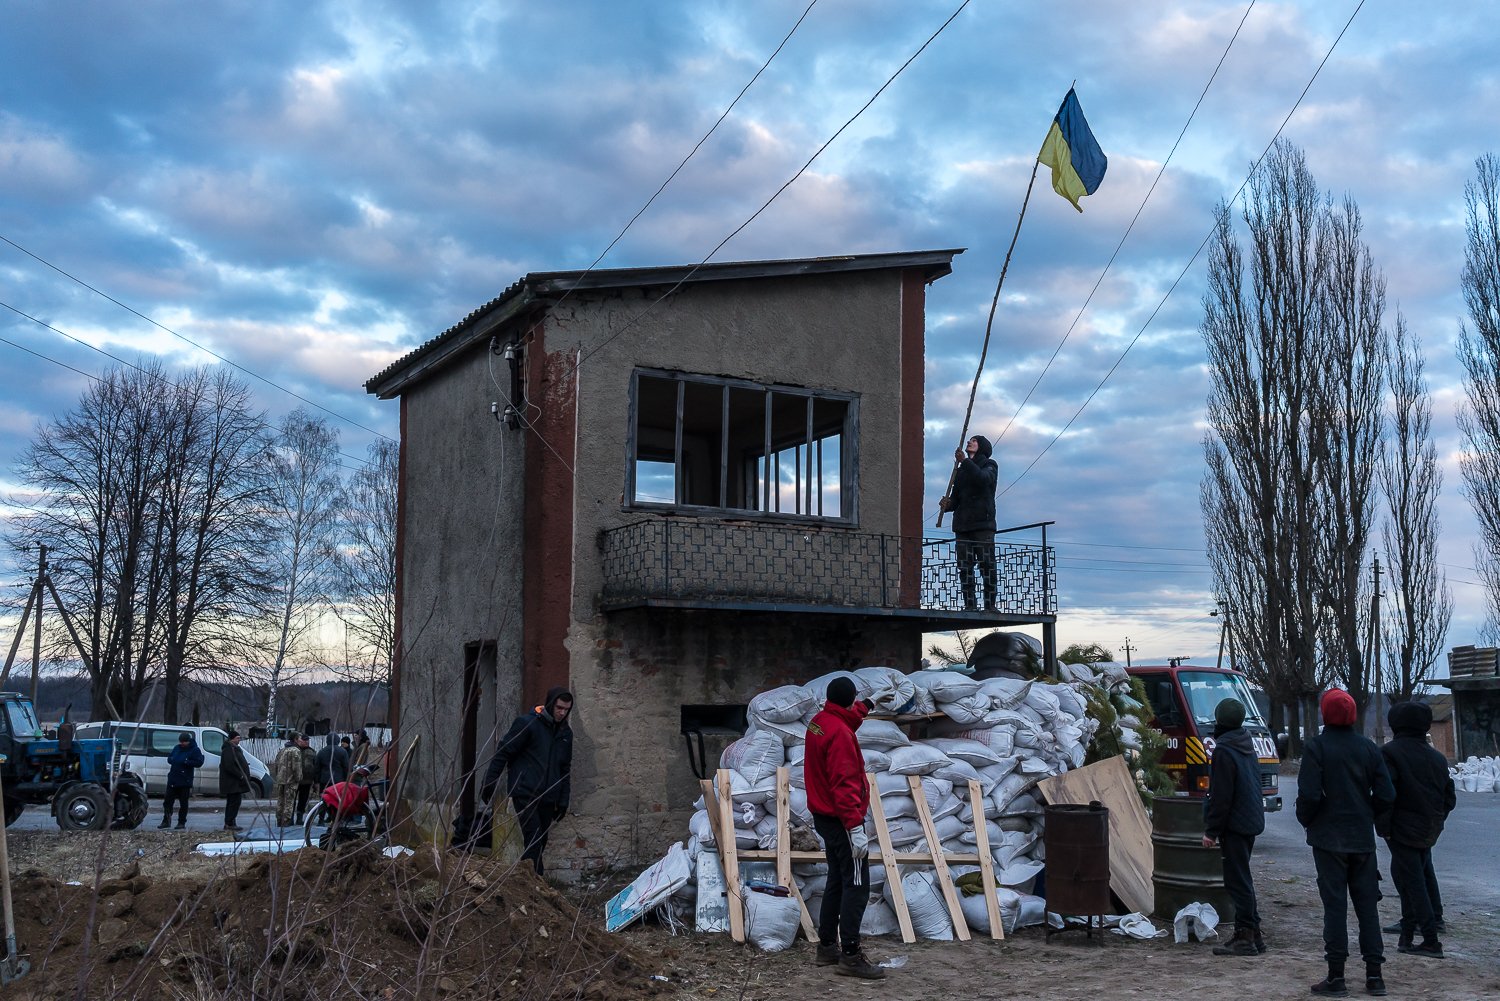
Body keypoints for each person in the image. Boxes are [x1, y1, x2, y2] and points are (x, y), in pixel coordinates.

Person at [1297, 688, 1395, 998]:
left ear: (1325, 714)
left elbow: (1310, 795)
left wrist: (1308, 819)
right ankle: (1375, 976)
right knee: (1368, 908)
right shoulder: (1368, 748)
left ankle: (1336, 977)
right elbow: (1387, 795)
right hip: (1362, 839)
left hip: (1328, 839)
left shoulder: (1317, 748)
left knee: (1335, 908)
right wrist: (1367, 813)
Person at [804, 676, 884, 980]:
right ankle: (850, 954)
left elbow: (846, 719)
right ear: (849, 700)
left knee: (837, 878)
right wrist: (855, 827)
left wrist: (870, 705)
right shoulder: (840, 735)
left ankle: (826, 947)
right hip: (840, 818)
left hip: (823, 816)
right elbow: (844, 784)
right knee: (857, 884)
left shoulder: (820, 722)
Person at [1376, 701, 1456, 958]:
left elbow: (1386, 795)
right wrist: (1437, 819)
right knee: (1412, 877)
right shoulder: (1437, 758)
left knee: (1412, 882)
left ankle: (1430, 939)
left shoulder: (1391, 753)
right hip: (1429, 828)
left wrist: (1384, 827)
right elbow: (1449, 797)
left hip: (1402, 828)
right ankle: (1407, 935)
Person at [479, 687, 575, 876]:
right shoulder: (527, 724)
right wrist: (489, 782)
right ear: (550, 704)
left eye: (566, 710)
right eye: (559, 708)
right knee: (533, 838)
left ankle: (527, 882)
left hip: (549, 796)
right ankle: (535, 882)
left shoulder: (565, 733)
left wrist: (564, 799)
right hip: (525, 791)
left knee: (541, 840)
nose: (562, 713)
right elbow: (503, 752)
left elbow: (565, 768)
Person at [1201, 697, 1266, 956]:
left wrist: (1211, 830)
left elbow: (1221, 796)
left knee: (1237, 882)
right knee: (1243, 879)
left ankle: (1245, 937)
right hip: (1249, 821)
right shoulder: (1246, 745)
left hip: (1235, 825)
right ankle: (1254, 935)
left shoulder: (1224, 751)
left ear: (1220, 720)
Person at [938, 435, 999, 611]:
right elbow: (957, 499)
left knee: (987, 565)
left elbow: (983, 479)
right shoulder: (962, 471)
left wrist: (964, 461)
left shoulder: (989, 464)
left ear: (981, 446)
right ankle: (970, 605)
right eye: (969, 440)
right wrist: (948, 505)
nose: (969, 442)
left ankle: (990, 605)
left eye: (974, 440)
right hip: (962, 525)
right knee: (965, 567)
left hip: (982, 524)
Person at [159, 732, 204, 829]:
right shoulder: (177, 748)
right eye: (181, 742)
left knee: (183, 803)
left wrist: (186, 762)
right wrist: (172, 759)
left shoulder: (194, 750)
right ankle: (166, 820)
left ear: (188, 741)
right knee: (167, 802)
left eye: (184, 742)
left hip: (185, 780)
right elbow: (170, 758)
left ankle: (181, 822)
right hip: (173, 779)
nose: (182, 744)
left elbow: (199, 762)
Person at [220, 729, 254, 832]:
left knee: (235, 802)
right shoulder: (228, 750)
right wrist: (240, 775)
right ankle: (229, 823)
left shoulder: (234, 749)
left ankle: (231, 822)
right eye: (237, 738)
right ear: (232, 739)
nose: (239, 740)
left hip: (235, 783)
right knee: (233, 803)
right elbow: (229, 765)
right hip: (232, 782)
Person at [273, 732, 305, 828]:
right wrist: (299, 778)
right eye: (299, 738)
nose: (301, 740)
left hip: (281, 780)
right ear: (295, 739)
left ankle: (279, 821)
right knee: (289, 802)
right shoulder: (295, 751)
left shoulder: (282, 750)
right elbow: (296, 767)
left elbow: (276, 765)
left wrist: (278, 776)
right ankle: (286, 822)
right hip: (290, 781)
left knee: (280, 801)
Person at [295, 733, 317, 823]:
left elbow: (316, 767)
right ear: (300, 741)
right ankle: (290, 818)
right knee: (292, 800)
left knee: (303, 800)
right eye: (304, 740)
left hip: (307, 781)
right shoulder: (295, 750)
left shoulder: (312, 752)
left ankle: (299, 818)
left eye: (307, 740)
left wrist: (315, 781)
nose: (306, 742)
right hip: (295, 780)